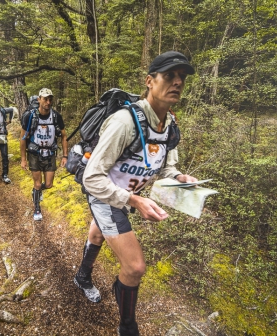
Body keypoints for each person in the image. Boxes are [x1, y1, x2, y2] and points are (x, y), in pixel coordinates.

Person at [73, 51, 198, 336]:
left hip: (126, 195)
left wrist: (179, 177)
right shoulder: (124, 122)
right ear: (150, 81)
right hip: (104, 193)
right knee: (135, 266)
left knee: (97, 234)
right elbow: (92, 177)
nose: (177, 82)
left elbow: (165, 168)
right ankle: (127, 326)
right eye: (169, 76)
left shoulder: (170, 126)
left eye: (182, 78)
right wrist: (133, 199)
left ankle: (82, 277)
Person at [20, 88, 68, 221]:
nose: (48, 102)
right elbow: (23, 138)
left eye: (50, 99)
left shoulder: (56, 116)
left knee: (48, 185)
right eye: (45, 99)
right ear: (39, 99)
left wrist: (65, 156)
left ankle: (36, 192)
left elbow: (64, 136)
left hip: (50, 153)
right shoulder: (29, 116)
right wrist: (23, 159)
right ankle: (37, 208)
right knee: (37, 183)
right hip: (35, 153)